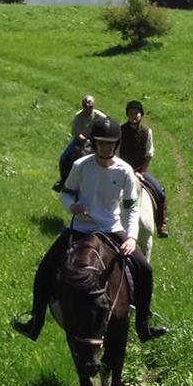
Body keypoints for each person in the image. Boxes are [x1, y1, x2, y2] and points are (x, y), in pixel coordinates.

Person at [14, 116, 168, 343]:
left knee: (145, 269)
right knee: (45, 267)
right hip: (80, 228)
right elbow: (67, 192)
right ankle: (34, 322)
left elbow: (131, 207)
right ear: (94, 143)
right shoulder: (81, 166)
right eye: (101, 142)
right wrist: (71, 206)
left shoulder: (124, 170)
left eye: (111, 143)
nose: (106, 147)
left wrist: (132, 238)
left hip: (111, 229)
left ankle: (144, 324)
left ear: (116, 145)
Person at [119, 100, 169, 237]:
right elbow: (117, 155)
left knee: (160, 191)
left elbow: (149, 154)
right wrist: (128, 171)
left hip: (141, 170)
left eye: (136, 113)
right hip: (123, 171)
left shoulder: (147, 132)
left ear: (141, 115)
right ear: (127, 115)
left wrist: (142, 172)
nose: (134, 116)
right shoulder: (120, 131)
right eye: (131, 113)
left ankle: (162, 223)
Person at [53, 94, 106, 191]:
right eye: (85, 107)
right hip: (79, 141)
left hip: (95, 142)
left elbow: (107, 123)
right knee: (64, 158)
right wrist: (86, 140)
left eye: (90, 107)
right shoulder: (78, 116)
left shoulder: (99, 115)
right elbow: (77, 134)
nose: (88, 109)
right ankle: (63, 180)